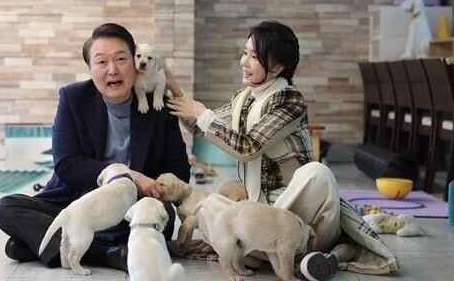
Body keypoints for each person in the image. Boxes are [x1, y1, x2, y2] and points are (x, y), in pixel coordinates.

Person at [166, 21, 399, 281]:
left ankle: (299, 250)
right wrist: (172, 90)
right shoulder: (243, 98)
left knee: (317, 174)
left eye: (254, 57)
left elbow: (248, 147)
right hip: (259, 213)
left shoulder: (289, 99)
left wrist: (200, 113)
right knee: (210, 204)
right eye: (244, 53)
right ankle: (285, 256)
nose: (244, 61)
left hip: (296, 213)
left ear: (277, 67)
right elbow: (199, 127)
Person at [0, 23, 190, 271]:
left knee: (160, 218)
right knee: (6, 208)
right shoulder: (74, 98)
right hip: (75, 202)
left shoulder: (158, 107)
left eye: (121, 59)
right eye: (102, 62)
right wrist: (131, 175)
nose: (113, 70)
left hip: (129, 207)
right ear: (90, 68)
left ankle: (51, 245)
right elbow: (67, 165)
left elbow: (180, 173)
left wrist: (156, 187)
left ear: (135, 63)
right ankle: (108, 253)